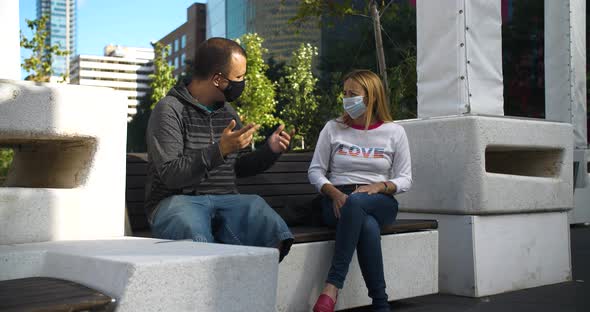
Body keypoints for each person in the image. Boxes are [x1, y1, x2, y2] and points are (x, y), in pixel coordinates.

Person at [145, 37, 294, 261]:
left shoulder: (228, 113)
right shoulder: (169, 110)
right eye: (239, 77)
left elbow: (239, 167)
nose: (243, 82)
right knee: (196, 240)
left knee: (272, 228)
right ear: (218, 79)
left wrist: (270, 150)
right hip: (177, 202)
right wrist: (220, 149)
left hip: (226, 200)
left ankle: (248, 292)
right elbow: (170, 175)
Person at [308, 69, 412, 312]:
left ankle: (332, 286)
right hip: (337, 199)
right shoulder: (333, 128)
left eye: (353, 94)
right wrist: (334, 193)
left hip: (379, 198)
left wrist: (380, 186)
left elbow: (405, 179)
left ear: (371, 97)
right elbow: (315, 171)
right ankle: (380, 303)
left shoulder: (394, 132)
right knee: (366, 224)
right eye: (344, 93)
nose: (346, 99)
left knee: (357, 205)